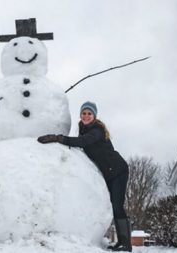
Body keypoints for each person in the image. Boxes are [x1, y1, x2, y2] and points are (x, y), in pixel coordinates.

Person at [37, 101, 132, 252]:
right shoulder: (84, 129)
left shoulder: (97, 130)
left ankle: (126, 244)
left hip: (118, 171)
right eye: (84, 113)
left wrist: (58, 138)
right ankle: (121, 242)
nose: (86, 116)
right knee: (113, 206)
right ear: (80, 115)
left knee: (117, 206)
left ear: (94, 116)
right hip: (108, 172)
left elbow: (83, 142)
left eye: (89, 113)